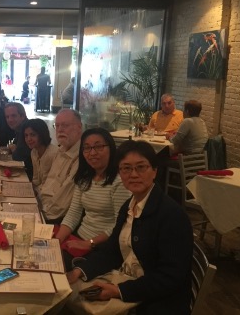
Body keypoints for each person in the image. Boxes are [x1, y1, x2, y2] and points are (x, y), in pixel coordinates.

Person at [67, 140, 193, 314]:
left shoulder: (172, 215)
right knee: (67, 293)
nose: (133, 174)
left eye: (141, 167)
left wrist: (119, 291)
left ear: (154, 171)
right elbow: (113, 250)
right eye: (126, 168)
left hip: (159, 301)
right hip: (129, 279)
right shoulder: (129, 205)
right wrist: (80, 271)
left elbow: (170, 277)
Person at [54, 128, 131, 269]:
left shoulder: (119, 181)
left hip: (102, 247)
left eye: (99, 146)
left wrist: (89, 242)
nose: (92, 153)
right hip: (78, 238)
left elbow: (120, 224)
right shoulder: (84, 178)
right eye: (87, 148)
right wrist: (57, 240)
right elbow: (74, 212)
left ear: (111, 148)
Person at [39, 109, 82, 223]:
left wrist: (40, 216)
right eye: (57, 126)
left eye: (65, 125)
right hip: (42, 207)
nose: (60, 129)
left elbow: (61, 205)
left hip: (54, 218)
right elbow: (47, 183)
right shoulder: (60, 151)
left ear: (79, 127)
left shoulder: (81, 157)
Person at [23, 118, 58, 189]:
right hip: (40, 191)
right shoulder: (34, 152)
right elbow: (36, 180)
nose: (28, 139)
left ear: (42, 135)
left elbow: (48, 184)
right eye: (26, 135)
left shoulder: (52, 154)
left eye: (32, 135)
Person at [4, 102, 33, 180]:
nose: (10, 120)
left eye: (13, 116)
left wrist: (14, 150)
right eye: (7, 117)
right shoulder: (19, 129)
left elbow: (19, 158)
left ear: (22, 116)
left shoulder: (27, 130)